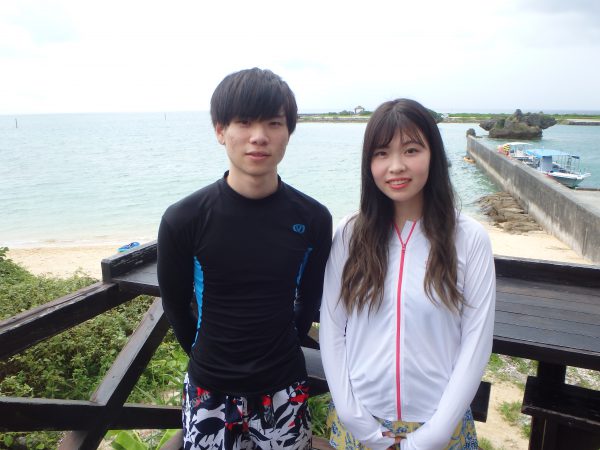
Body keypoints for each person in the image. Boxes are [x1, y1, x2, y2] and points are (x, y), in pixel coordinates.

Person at [157, 68, 332, 450]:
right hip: (209, 389)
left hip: (284, 386)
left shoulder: (313, 218)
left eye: (273, 123)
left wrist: (282, 345)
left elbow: (309, 300)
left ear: (288, 132)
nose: (259, 136)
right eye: (244, 122)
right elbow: (175, 304)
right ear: (220, 130)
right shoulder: (184, 219)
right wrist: (209, 357)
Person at [319, 99, 496, 449]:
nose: (396, 166)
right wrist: (356, 420)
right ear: (369, 163)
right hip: (361, 423)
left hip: (440, 425)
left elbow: (476, 342)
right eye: (381, 153)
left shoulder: (469, 238)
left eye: (411, 150)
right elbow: (332, 328)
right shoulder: (351, 234)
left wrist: (433, 435)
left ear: (433, 155)